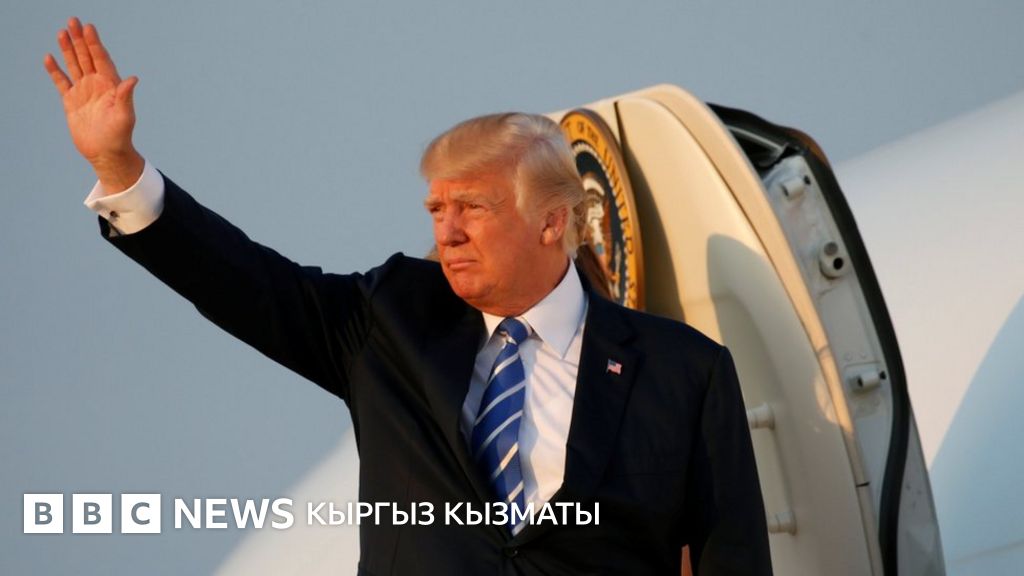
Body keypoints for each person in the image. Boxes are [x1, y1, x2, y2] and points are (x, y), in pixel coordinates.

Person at [45, 17, 772, 575]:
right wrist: (121, 168)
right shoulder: (390, 321)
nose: (446, 233)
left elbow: (731, 559)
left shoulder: (685, 372)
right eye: (436, 210)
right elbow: (247, 282)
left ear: (553, 221)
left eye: (473, 208)